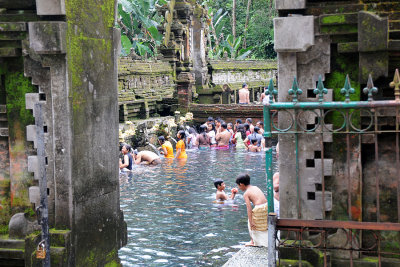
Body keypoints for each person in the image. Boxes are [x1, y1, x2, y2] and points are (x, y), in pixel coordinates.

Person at [236, 173, 268, 247]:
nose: (238, 187)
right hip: (266, 206)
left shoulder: (246, 193)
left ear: (241, 184)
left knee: (250, 224)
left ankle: (252, 241)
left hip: (259, 208)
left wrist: (251, 221)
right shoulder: (255, 187)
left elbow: (249, 208)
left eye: (238, 185)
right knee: (264, 224)